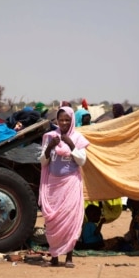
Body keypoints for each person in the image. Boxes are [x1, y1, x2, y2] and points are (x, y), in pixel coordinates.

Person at [39, 106, 90, 268]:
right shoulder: (50, 137)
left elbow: (82, 161)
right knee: (52, 220)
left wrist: (71, 146)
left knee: (70, 220)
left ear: (72, 120)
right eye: (61, 120)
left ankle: (69, 257)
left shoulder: (77, 138)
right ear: (57, 121)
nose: (64, 123)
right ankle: (54, 257)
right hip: (53, 185)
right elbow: (43, 161)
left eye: (67, 119)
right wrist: (49, 147)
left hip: (71, 184)